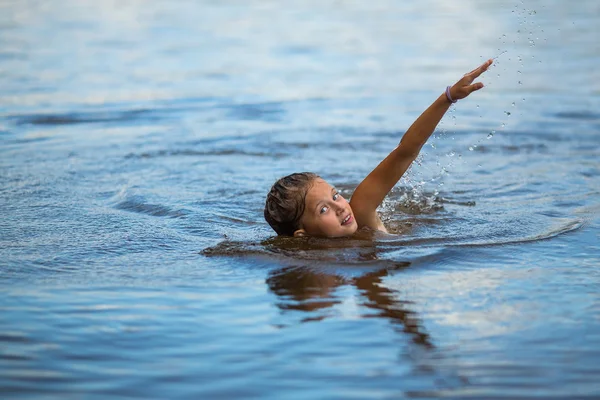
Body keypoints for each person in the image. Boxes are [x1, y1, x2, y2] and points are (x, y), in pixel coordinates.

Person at [264, 59, 493, 238]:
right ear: (302, 236)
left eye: (336, 195)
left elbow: (405, 151)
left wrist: (448, 97)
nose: (341, 207)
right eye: (324, 210)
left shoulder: (361, 211)